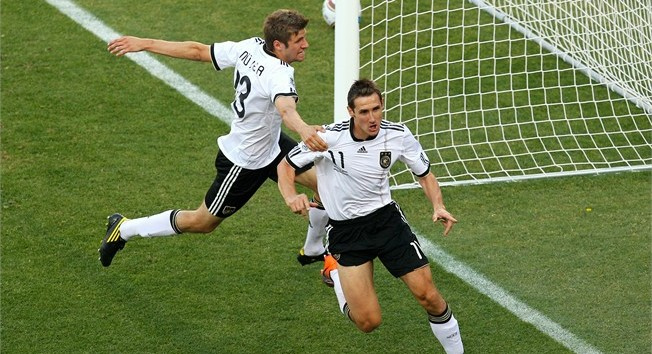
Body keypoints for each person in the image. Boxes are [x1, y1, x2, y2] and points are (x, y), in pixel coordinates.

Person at [99, 9, 329, 267]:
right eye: (299, 40)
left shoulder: (251, 46)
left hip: (272, 144)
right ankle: (125, 228)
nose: (306, 45)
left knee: (326, 184)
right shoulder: (278, 74)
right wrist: (304, 129)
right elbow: (286, 109)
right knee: (202, 222)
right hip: (245, 161)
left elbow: (199, 51)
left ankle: (312, 249)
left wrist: (145, 43)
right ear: (278, 45)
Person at [277, 79, 464, 353]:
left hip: (386, 223)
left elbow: (424, 174)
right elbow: (286, 166)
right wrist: (291, 196)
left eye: (376, 109)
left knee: (429, 296)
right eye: (364, 112)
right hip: (346, 232)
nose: (372, 117)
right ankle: (335, 272)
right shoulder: (329, 137)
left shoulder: (398, 135)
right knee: (368, 322)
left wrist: (438, 205)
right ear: (351, 112)